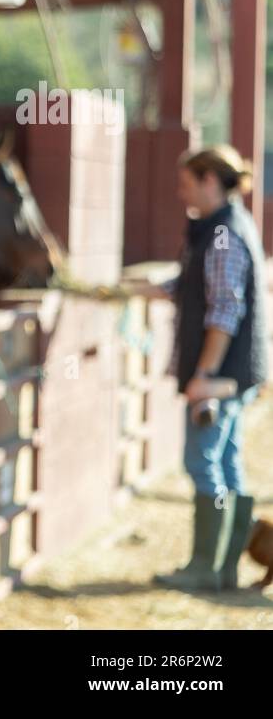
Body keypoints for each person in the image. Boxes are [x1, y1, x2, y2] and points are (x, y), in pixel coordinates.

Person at [128, 144, 267, 592]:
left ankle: (205, 568)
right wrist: (151, 289)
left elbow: (224, 307)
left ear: (210, 181)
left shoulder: (222, 233)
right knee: (226, 460)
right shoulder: (228, 226)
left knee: (202, 461)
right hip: (237, 372)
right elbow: (202, 286)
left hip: (219, 376)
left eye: (187, 182)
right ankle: (223, 568)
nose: (180, 191)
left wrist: (204, 375)